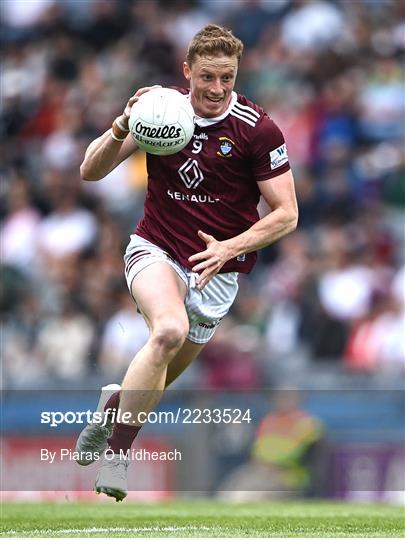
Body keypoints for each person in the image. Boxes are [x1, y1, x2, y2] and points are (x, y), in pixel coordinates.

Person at [75, 24, 298, 501]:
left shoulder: (258, 129)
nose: (217, 89)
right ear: (187, 72)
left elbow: (287, 214)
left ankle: (114, 408)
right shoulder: (162, 111)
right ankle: (118, 455)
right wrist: (122, 124)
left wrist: (229, 247)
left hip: (216, 272)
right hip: (155, 248)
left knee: (158, 380)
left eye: (227, 78)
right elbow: (90, 171)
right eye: (207, 77)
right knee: (168, 330)